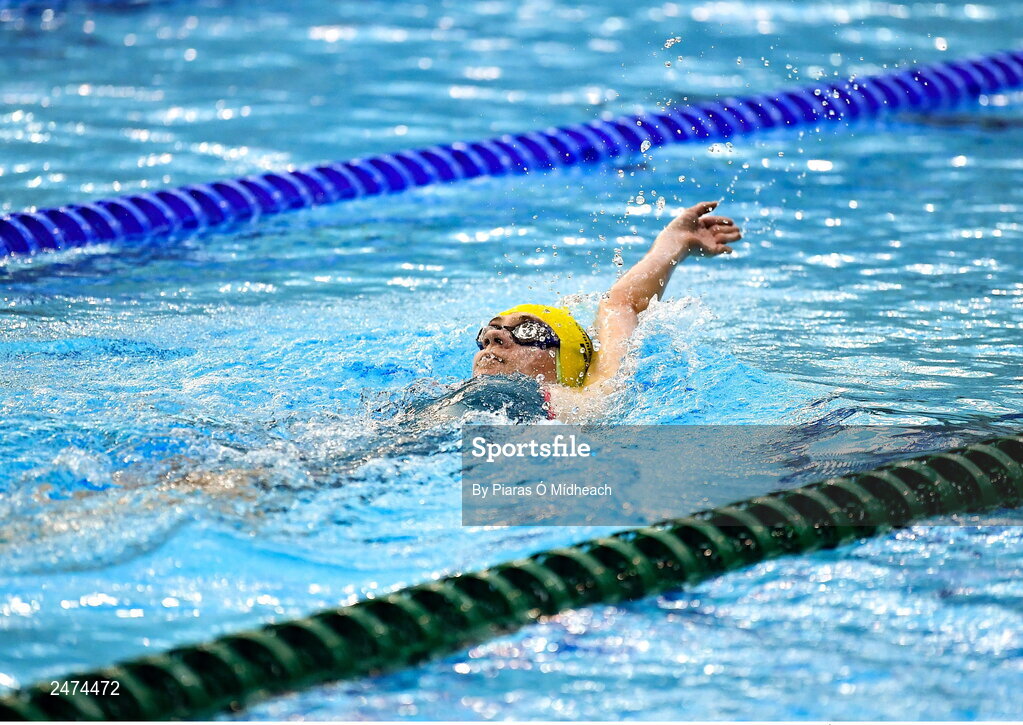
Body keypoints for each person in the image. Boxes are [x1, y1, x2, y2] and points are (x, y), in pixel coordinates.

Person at [467, 200, 741, 421]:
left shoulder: (587, 402)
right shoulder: (440, 392)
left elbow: (620, 303)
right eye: (488, 331)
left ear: (567, 363)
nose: (494, 338)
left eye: (526, 331)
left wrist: (676, 241)